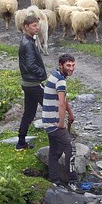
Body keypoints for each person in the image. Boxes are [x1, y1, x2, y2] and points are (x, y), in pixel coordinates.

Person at [39, 53, 77, 185]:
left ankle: (54, 180)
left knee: (55, 152)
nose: (71, 68)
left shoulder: (56, 75)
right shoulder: (60, 80)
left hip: (47, 120)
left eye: (72, 65)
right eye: (68, 65)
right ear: (61, 65)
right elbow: (61, 103)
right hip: (54, 122)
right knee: (70, 150)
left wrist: (70, 114)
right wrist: (61, 123)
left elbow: (63, 99)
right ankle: (72, 181)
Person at [15, 14, 46, 150]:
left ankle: (21, 142)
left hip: (27, 83)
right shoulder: (27, 43)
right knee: (52, 107)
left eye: (37, 25)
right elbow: (30, 64)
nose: (37, 28)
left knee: (29, 113)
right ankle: (59, 141)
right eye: (34, 25)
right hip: (33, 83)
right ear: (26, 27)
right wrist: (42, 74)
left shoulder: (28, 40)